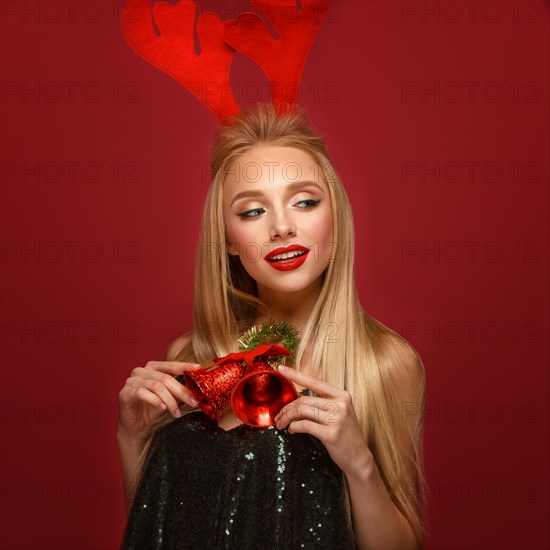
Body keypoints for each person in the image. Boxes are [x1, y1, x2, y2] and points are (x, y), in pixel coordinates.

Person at [117, 102, 427, 549]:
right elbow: (158, 527)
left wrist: (358, 462)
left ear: (335, 214)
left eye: (305, 202)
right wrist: (132, 436)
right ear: (225, 237)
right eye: (252, 212)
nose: (282, 227)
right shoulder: (189, 359)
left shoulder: (384, 363)